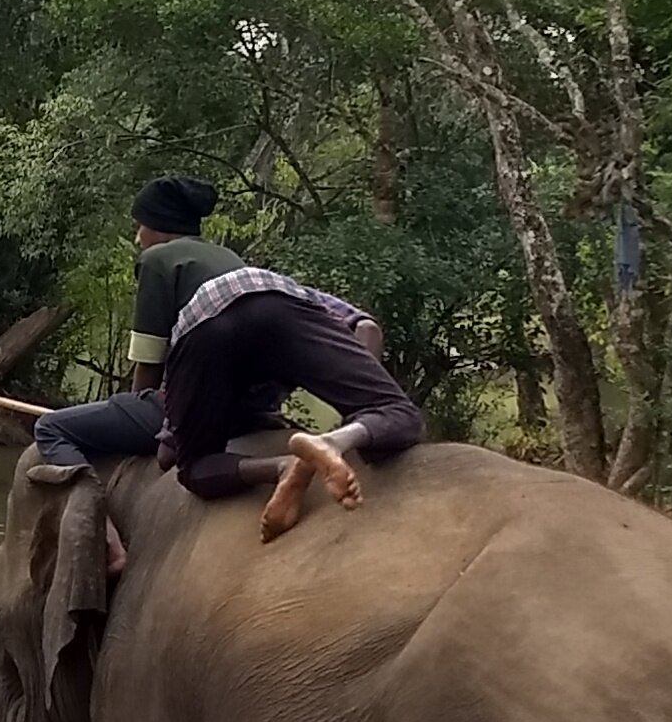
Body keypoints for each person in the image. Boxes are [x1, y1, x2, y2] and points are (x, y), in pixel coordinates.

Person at [23, 175, 423, 539]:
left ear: (157, 227)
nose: (137, 237)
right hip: (270, 336)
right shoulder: (243, 267)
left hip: (201, 343)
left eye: (139, 226)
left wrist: (156, 424)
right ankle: (332, 441)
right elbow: (365, 328)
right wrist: (353, 397)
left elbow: (150, 370)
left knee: (168, 460)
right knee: (397, 414)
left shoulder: (157, 260)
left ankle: (100, 538)